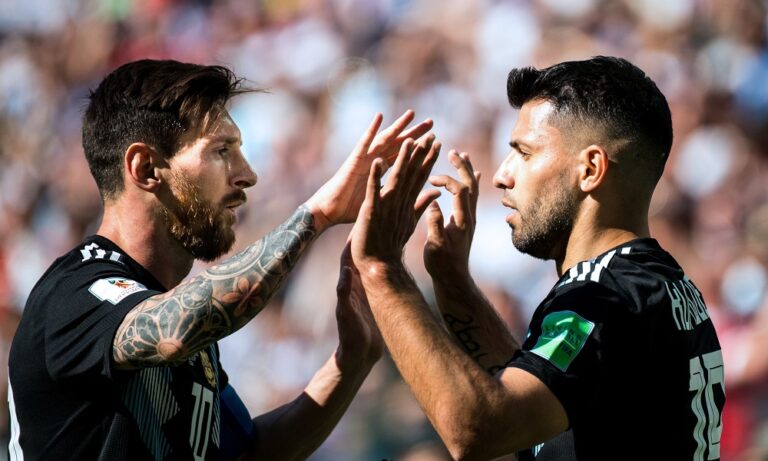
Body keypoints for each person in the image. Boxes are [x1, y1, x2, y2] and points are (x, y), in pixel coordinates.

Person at [7, 59, 432, 460]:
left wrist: (350, 363)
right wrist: (316, 215)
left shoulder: (183, 316)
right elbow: (173, 330)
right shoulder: (74, 290)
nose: (248, 175)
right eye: (222, 150)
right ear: (146, 168)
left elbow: (247, 454)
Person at [349, 56, 725, 460]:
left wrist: (381, 269)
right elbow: (533, 396)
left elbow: (480, 428)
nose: (502, 175)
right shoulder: (655, 283)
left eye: (524, 153)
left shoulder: (601, 297)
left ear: (590, 169)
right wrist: (451, 280)